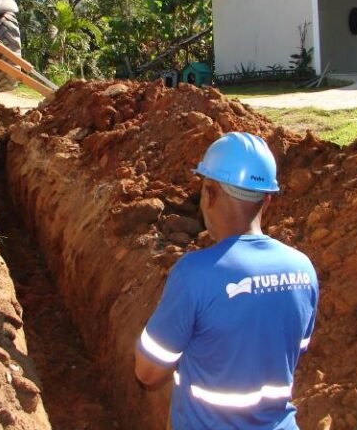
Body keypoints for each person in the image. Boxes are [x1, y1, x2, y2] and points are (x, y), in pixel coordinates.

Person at [134, 132, 319, 430]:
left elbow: (148, 372)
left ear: (209, 193)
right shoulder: (303, 269)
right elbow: (289, 350)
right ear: (267, 200)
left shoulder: (195, 274)